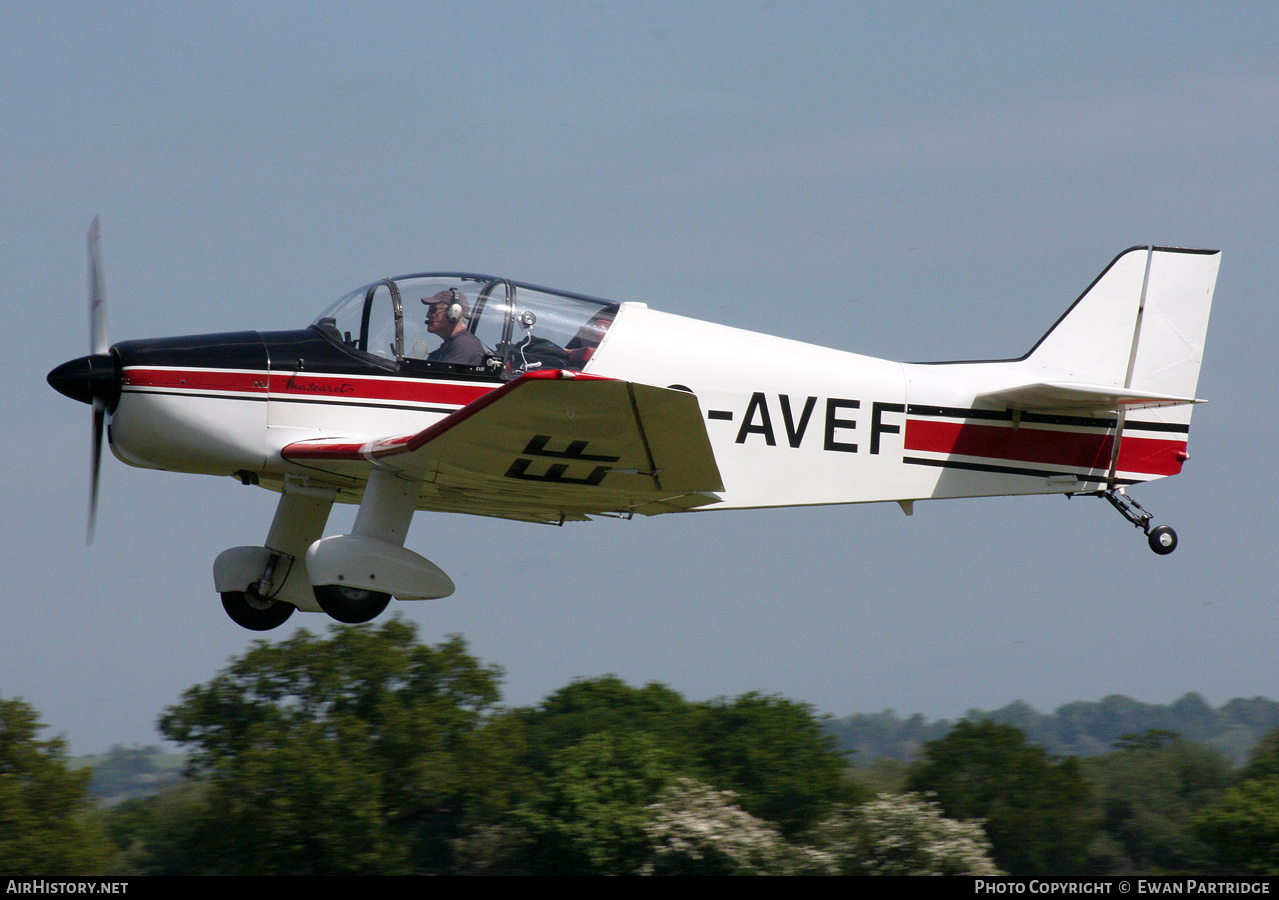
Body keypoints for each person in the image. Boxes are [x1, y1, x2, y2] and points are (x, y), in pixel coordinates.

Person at [422, 289, 484, 365]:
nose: (428, 315)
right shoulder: (444, 350)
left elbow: (442, 376)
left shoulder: (463, 345)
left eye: (433, 309)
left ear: (453, 312)